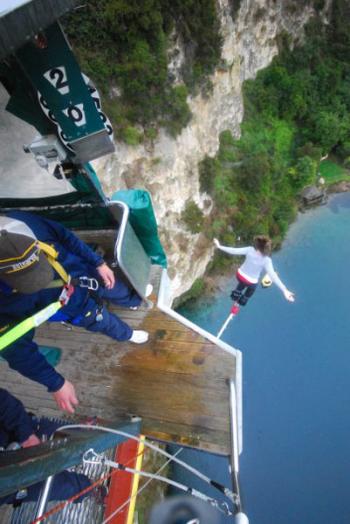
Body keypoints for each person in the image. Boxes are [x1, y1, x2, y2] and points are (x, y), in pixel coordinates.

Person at [0, 211, 151, 413]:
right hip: (70, 306)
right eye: (27, 283)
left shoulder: (22, 222)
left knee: (115, 287)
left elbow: (65, 236)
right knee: (103, 321)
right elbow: (14, 346)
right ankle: (128, 334)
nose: (38, 281)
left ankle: (133, 300)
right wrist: (56, 383)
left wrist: (98, 263)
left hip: (85, 272)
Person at [0, 388, 97, 506]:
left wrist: (27, 437)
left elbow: (3, 401)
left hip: (18, 434)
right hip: (9, 487)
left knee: (75, 437)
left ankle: (84, 431)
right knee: (63, 488)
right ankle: (89, 489)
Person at [214, 235, 295, 314]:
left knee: (243, 282)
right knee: (251, 289)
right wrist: (284, 290)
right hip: (250, 282)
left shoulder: (249, 250)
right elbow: (273, 276)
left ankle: (236, 293)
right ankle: (240, 302)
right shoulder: (267, 260)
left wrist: (219, 246)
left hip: (240, 276)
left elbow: (234, 251)